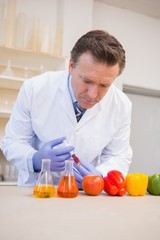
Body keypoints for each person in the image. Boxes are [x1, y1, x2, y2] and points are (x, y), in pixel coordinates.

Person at [2, 30, 132, 189]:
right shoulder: (35, 89)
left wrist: (100, 175)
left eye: (104, 85)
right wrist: (35, 159)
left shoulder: (121, 105)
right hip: (38, 190)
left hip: (83, 194)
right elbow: (13, 141)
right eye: (87, 80)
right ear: (71, 65)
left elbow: (119, 155)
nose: (93, 94)